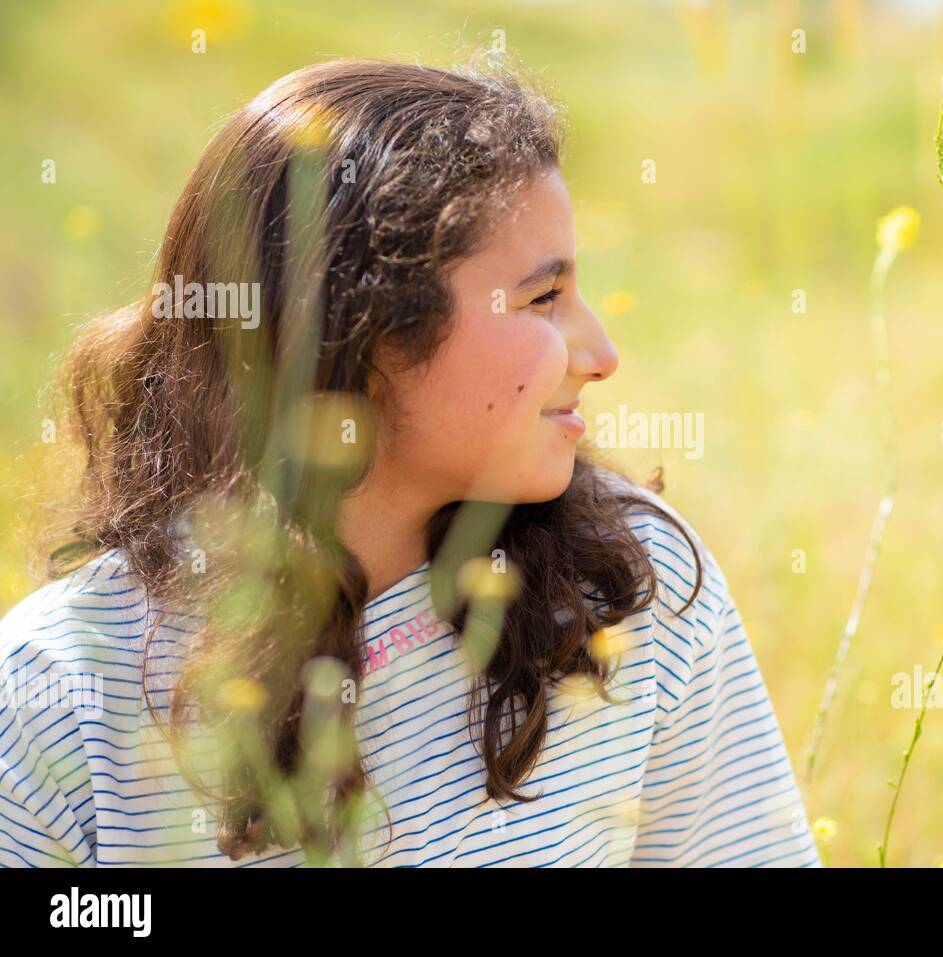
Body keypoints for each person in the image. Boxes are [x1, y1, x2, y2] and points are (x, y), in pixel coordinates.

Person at [0, 59, 819, 868]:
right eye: (543, 299)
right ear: (360, 336)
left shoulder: (632, 587)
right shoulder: (59, 693)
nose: (602, 353)